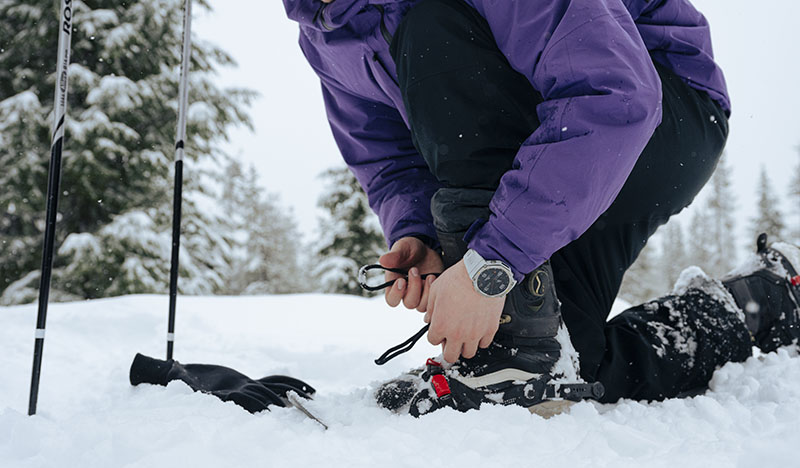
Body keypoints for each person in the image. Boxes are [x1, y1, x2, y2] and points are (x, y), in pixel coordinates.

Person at [283, 0, 800, 416]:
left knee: (432, 23)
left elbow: (614, 93)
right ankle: (763, 302)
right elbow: (389, 159)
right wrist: (419, 235)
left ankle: (510, 352)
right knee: (566, 355)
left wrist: (492, 265)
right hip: (552, 147)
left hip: (662, 111)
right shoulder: (326, 29)